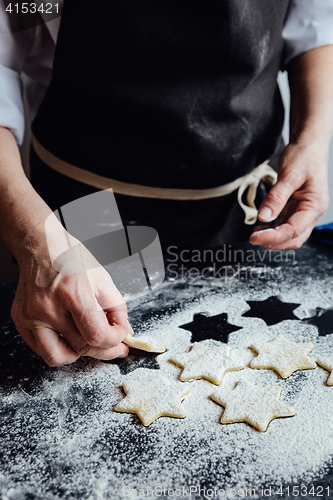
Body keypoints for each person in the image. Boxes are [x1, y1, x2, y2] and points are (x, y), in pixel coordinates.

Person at [0, 0, 333, 367]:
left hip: (247, 203)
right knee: (96, 353)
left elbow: (315, 25)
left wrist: (310, 142)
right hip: (90, 207)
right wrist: (37, 241)